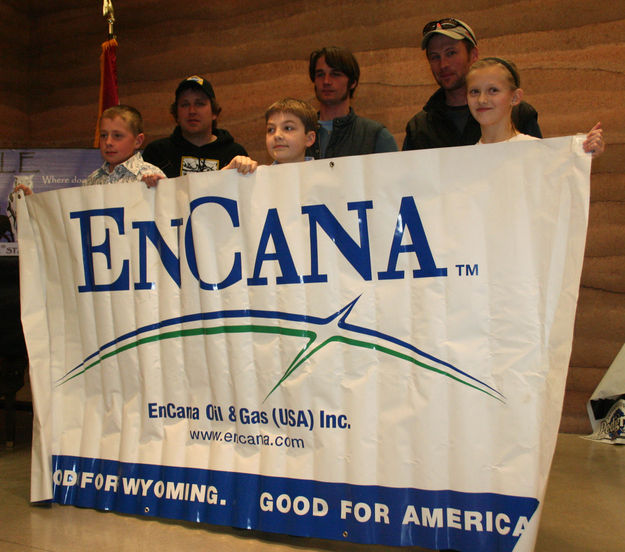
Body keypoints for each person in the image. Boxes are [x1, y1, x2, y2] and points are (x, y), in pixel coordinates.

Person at [403, 18, 542, 151]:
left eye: (451, 53)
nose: (443, 64)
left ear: (474, 54)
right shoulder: (419, 127)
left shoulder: (518, 113)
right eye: (435, 57)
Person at [466, 57, 604, 155]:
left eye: (493, 90)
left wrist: (584, 152)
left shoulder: (537, 153)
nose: (482, 99)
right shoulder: (461, 161)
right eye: (474, 91)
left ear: (515, 97)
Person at [142, 75, 249, 178]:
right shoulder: (157, 153)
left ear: (214, 112)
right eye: (185, 104)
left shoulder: (234, 154)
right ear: (176, 114)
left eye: (200, 104)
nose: (192, 111)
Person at [307, 46, 397, 159]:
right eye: (320, 74)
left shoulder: (375, 136)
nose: (326, 81)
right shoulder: (298, 134)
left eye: (335, 74)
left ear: (353, 82)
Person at [84, 105, 165, 186]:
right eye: (103, 135)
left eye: (117, 136)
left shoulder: (153, 176)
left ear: (138, 141)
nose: (108, 142)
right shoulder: (92, 180)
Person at [265, 98, 317, 164]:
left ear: (309, 138)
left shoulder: (327, 173)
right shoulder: (257, 173)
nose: (277, 135)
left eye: (288, 128)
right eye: (271, 130)